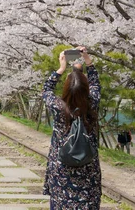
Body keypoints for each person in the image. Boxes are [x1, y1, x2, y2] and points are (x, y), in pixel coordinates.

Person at [43, 47, 101, 209]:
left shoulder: (58, 106)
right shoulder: (92, 103)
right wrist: (88, 61)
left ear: (66, 88)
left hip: (61, 167)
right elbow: (96, 83)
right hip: (88, 168)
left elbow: (46, 89)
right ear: (86, 89)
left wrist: (61, 68)